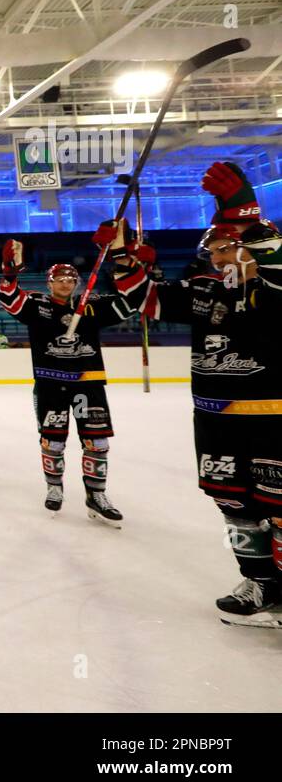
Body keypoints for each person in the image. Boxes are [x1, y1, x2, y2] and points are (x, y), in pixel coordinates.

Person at [111, 162, 282, 627]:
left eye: (228, 248)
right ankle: (260, 584)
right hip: (214, 422)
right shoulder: (207, 290)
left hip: (272, 420)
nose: (220, 258)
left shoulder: (275, 284)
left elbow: (275, 261)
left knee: (279, 506)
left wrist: (245, 218)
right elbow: (146, 300)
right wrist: (124, 257)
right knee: (232, 502)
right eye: (216, 251)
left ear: (252, 245)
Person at [0, 239, 133, 524]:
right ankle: (55, 488)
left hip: (89, 384)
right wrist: (10, 273)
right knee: (53, 442)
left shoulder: (91, 305)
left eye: (71, 279)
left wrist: (128, 264)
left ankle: (96, 495)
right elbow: (10, 300)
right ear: (49, 282)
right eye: (59, 279)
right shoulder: (37, 304)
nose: (66, 283)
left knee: (97, 442)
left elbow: (130, 304)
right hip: (50, 384)